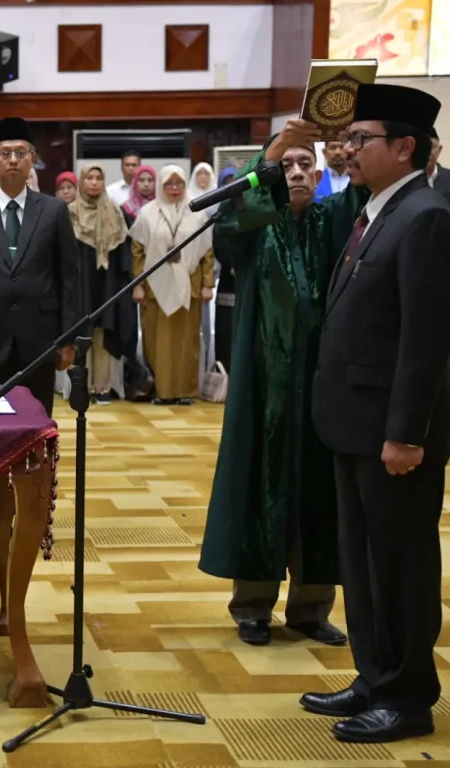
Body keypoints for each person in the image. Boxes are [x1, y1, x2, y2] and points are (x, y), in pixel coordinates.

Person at [300, 84, 450, 744]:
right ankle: (373, 675)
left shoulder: (426, 217)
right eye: (348, 139)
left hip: (392, 436)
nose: (347, 150)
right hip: (353, 425)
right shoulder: (374, 213)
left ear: (405, 147)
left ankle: (408, 694)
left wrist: (406, 434)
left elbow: (427, 341)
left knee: (400, 564)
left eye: (362, 140)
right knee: (360, 561)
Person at [199, 123, 363, 648]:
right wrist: (265, 157)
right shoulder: (255, 225)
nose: (296, 173)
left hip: (320, 385)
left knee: (319, 491)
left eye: (304, 166)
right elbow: (227, 221)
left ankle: (311, 608)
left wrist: (348, 125)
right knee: (260, 488)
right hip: (263, 386)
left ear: (319, 174)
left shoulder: (334, 220)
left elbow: (363, 192)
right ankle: (252, 606)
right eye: (286, 166)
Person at [0, 116, 81, 546]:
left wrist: (69, 339)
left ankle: (37, 514)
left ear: (32, 160)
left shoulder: (54, 211)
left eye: (20, 153)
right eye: (5, 153)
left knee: (36, 431)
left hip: (39, 341)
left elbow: (69, 280)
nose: (13, 160)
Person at [129, 165, 214, 405]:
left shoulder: (196, 212)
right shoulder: (147, 213)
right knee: (158, 342)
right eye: (169, 184)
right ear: (161, 186)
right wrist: (138, 284)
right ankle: (163, 391)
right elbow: (137, 251)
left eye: (179, 184)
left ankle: (185, 392)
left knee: (188, 341)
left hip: (189, 284)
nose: (174, 189)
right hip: (155, 286)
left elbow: (207, 251)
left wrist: (208, 284)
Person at [68, 163, 130, 404]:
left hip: (107, 282)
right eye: (89, 178)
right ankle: (81, 386)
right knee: (81, 333)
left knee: (104, 332)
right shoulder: (70, 212)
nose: (94, 182)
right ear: (81, 182)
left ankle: (102, 387)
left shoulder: (115, 212)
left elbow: (123, 252)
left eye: (98, 178)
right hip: (80, 282)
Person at [211, 166, 238, 371]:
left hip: (249, 278)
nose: (231, 186)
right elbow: (218, 243)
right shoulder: (220, 212)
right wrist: (232, 266)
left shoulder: (253, 208)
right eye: (226, 182)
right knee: (226, 329)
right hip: (229, 280)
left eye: (235, 181)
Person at [427, 127, 450, 203]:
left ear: (439, 150)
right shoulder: (405, 178)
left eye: (432, 147)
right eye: (424, 148)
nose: (427, 153)